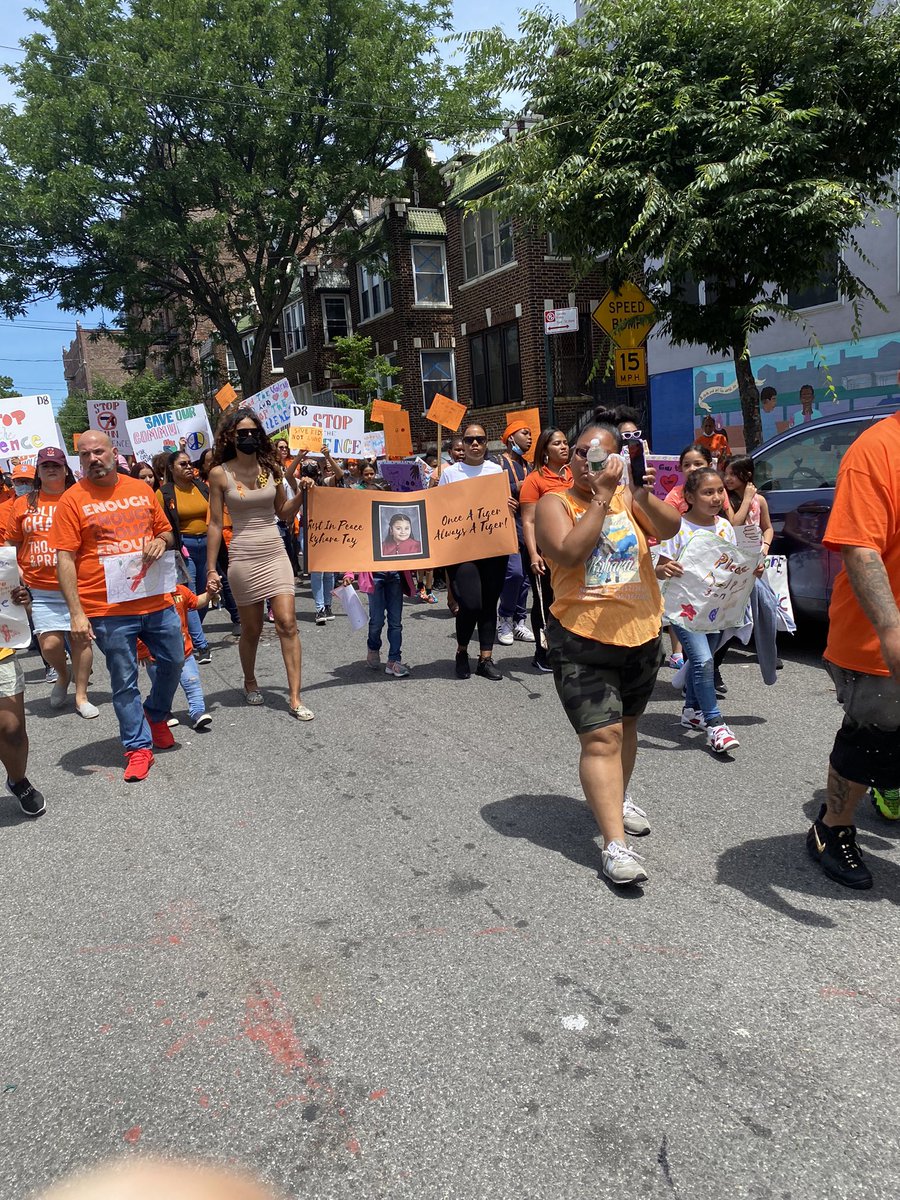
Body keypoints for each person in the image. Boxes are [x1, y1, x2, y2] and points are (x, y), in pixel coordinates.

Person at [535, 421, 681, 885]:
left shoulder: (627, 497)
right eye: (579, 452)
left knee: (629, 728)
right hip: (581, 640)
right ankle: (615, 845)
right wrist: (599, 498)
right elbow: (568, 553)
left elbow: (670, 525)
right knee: (602, 739)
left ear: (618, 458)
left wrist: (637, 489)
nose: (586, 461)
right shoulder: (553, 503)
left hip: (640, 633)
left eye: (599, 455)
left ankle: (617, 799)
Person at [52, 431, 184, 782]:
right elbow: (64, 558)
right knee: (123, 681)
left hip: (155, 598)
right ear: (78, 461)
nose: (93, 458)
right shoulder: (71, 500)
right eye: (85, 455)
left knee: (174, 660)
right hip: (107, 609)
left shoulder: (140, 489)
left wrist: (159, 540)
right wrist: (77, 613)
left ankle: (155, 714)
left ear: (114, 453)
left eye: (99, 451)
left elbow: (168, 532)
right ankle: (138, 748)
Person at [806, 408, 900, 889]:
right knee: (873, 738)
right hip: (875, 643)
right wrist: (890, 630)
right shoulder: (876, 450)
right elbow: (860, 548)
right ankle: (832, 826)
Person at [205, 410, 313, 719]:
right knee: (251, 629)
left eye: (254, 433)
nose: (248, 438)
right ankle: (250, 680)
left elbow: (284, 513)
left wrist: (303, 494)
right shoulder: (219, 473)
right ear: (231, 437)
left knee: (287, 623)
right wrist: (211, 568)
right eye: (242, 433)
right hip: (242, 556)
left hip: (275, 552)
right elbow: (214, 523)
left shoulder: (273, 469)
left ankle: (294, 696)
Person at [5, 446, 98, 719]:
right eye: (45, 465)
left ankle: (81, 695)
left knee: (81, 640)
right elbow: (11, 542)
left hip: (78, 584)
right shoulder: (23, 504)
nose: (51, 469)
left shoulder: (80, 498)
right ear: (38, 470)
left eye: (56, 464)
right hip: (40, 587)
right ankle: (62, 674)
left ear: (65, 468)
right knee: (49, 645)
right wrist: (12, 577)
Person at [656, 468, 741, 754]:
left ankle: (692, 709)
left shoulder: (725, 527)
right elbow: (659, 566)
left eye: (720, 491)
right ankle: (716, 724)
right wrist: (665, 568)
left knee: (702, 661)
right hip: (684, 609)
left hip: (715, 607)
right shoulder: (676, 527)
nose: (716, 497)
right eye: (708, 492)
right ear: (689, 497)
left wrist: (752, 568)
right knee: (703, 661)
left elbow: (733, 564)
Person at [438, 423, 510, 681]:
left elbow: (502, 506)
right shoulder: (450, 474)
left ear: (487, 442)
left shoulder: (496, 470)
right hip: (462, 549)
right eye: (469, 440)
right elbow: (440, 509)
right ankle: (461, 652)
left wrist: (508, 504)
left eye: (480, 439)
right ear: (463, 445)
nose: (475, 444)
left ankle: (485, 659)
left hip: (493, 547)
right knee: (471, 603)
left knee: (490, 603)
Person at [519, 427, 571, 672]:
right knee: (546, 602)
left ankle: (568, 648)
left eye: (565, 442)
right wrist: (533, 554)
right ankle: (543, 652)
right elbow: (528, 521)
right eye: (557, 443)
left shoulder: (575, 474)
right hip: (545, 553)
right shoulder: (534, 480)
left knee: (569, 600)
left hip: (573, 552)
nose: (564, 446)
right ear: (545, 451)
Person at [157, 449, 213, 664]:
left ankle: (185, 634)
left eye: (190, 463)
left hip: (207, 546)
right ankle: (201, 645)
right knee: (188, 596)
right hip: (183, 549)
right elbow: (159, 525)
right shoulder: (164, 493)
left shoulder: (202, 487)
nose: (189, 467)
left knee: (203, 595)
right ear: (171, 469)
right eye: (183, 464)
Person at [138, 581, 212, 731]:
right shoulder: (145, 597)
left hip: (185, 652)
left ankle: (198, 712)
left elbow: (196, 602)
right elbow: (137, 626)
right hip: (155, 658)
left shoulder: (181, 591)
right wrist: (141, 649)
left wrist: (210, 593)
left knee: (193, 683)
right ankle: (163, 712)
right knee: (163, 687)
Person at [497, 420, 535, 647]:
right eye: (525, 433)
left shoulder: (529, 465)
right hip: (507, 526)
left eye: (530, 434)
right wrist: (513, 489)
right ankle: (505, 617)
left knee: (526, 579)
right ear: (511, 437)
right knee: (514, 574)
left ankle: (520, 620)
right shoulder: (497, 462)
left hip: (528, 527)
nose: (529, 438)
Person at [307, 448, 344, 625]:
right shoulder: (302, 483)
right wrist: (299, 456)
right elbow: (290, 476)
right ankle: (319, 608)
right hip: (310, 531)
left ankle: (328, 605)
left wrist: (328, 456)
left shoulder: (326, 482)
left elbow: (340, 474)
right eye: (307, 466)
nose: (311, 468)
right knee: (317, 572)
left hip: (328, 530)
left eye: (313, 465)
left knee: (329, 572)